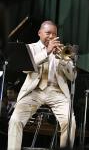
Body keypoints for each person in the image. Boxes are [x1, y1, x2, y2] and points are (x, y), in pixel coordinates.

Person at [8, 20, 76, 150]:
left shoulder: (64, 50)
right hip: (34, 91)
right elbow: (26, 68)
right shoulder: (31, 48)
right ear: (39, 33)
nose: (51, 36)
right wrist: (47, 52)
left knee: (70, 122)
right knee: (15, 120)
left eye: (54, 34)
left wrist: (63, 60)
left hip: (57, 92)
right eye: (48, 33)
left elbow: (72, 76)